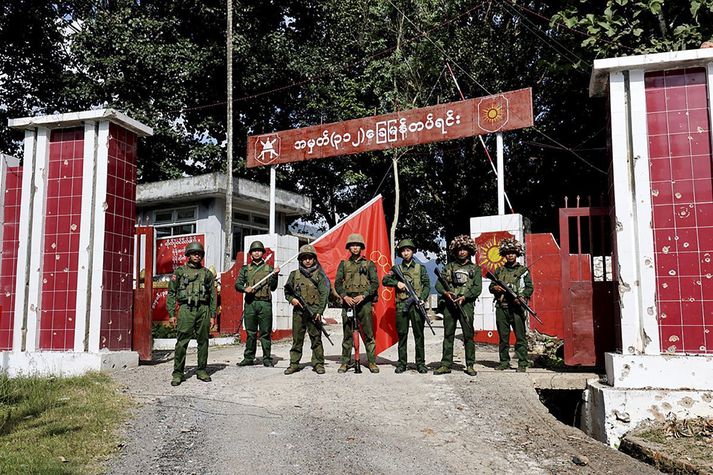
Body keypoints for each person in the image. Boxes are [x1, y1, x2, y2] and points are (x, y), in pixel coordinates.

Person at [166, 241, 216, 386]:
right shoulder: (180, 272)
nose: (197, 255)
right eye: (194, 253)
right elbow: (171, 293)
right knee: (182, 342)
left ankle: (201, 370)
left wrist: (213, 315)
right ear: (188, 255)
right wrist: (171, 314)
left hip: (203, 309)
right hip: (186, 309)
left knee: (203, 341)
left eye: (199, 253)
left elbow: (213, 295)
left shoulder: (207, 273)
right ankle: (178, 373)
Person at [434, 235, 482, 376]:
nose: (461, 252)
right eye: (459, 249)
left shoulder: (475, 269)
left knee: (468, 335)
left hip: (466, 305)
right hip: (450, 305)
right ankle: (445, 364)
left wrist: (464, 297)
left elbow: (477, 288)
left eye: (464, 249)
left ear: (469, 251)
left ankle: (470, 365)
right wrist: (446, 293)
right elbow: (438, 284)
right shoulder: (449, 267)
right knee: (448, 334)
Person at [382, 239, 431, 374]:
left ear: (413, 251)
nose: (405, 253)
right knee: (402, 335)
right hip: (401, 306)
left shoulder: (420, 268)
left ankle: (420, 363)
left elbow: (426, 285)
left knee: (419, 335)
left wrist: (422, 298)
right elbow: (385, 280)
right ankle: (402, 363)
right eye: (403, 251)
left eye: (408, 250)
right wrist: (397, 283)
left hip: (416, 306)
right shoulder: (397, 269)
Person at [334, 233, 380, 374]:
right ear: (349, 247)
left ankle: (371, 361)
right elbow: (337, 283)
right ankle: (345, 362)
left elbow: (375, 283)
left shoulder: (369, 264)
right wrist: (344, 296)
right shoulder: (343, 264)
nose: (355, 248)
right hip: (348, 302)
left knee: (368, 334)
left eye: (357, 245)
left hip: (364, 303)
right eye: (352, 245)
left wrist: (364, 295)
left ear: (361, 247)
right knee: (347, 334)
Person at [284, 244, 330, 375]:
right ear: (300, 260)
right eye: (304, 258)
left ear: (314, 259)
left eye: (310, 258)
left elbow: (324, 294)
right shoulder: (294, 275)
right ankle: (294, 364)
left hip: (314, 312)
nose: (307, 261)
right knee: (297, 340)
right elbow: (287, 291)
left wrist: (319, 312)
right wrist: (292, 299)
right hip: (299, 312)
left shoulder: (319, 276)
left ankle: (318, 363)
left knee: (316, 339)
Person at [489, 238, 534, 372]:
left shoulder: (523, 271)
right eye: (508, 253)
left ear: (517, 254)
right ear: (504, 254)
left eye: (513, 253)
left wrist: (522, 297)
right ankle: (504, 362)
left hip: (516, 308)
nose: (510, 255)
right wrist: (495, 288)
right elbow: (491, 286)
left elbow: (529, 287)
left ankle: (522, 363)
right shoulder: (499, 271)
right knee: (503, 338)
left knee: (520, 337)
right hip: (501, 307)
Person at [235, 240, 280, 367]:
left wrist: (275, 276)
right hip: (250, 303)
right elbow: (237, 284)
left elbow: (273, 287)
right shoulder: (246, 269)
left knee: (265, 332)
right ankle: (249, 357)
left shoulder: (269, 269)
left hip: (265, 303)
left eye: (259, 250)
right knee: (251, 332)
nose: (256, 253)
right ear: (250, 254)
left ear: (263, 253)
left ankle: (267, 358)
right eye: (254, 251)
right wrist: (245, 289)